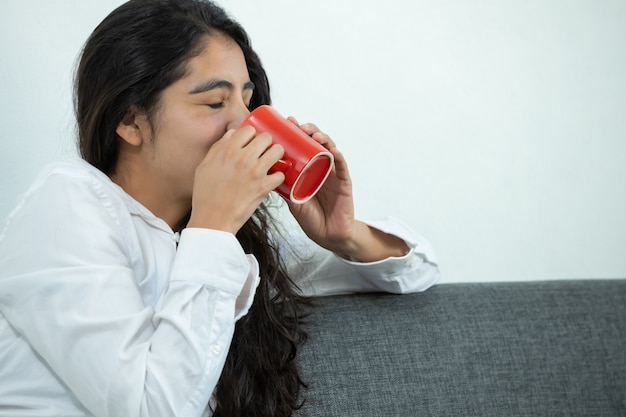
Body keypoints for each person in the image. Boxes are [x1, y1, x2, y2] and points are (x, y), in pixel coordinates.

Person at [0, 0, 439, 416]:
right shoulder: (66, 205)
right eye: (215, 102)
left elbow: (419, 272)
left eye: (247, 102)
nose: (244, 125)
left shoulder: (219, 241)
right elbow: (152, 408)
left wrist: (344, 234)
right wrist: (213, 228)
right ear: (130, 121)